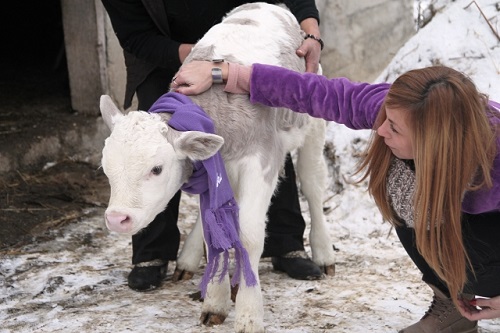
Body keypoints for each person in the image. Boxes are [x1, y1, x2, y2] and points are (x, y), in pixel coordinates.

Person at [173, 61, 500, 332]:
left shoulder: (494, 161)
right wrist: (224, 73)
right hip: (450, 206)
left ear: (436, 140)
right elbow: (318, 93)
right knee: (400, 187)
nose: (381, 130)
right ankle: (450, 306)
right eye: (385, 118)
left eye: (395, 129)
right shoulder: (407, 109)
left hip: (485, 227)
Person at [100, 0, 326, 292]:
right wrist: (198, 57)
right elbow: (136, 36)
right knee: (152, 150)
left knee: (258, 135)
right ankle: (152, 253)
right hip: (167, 61)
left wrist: (310, 30)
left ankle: (284, 241)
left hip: (241, 44)